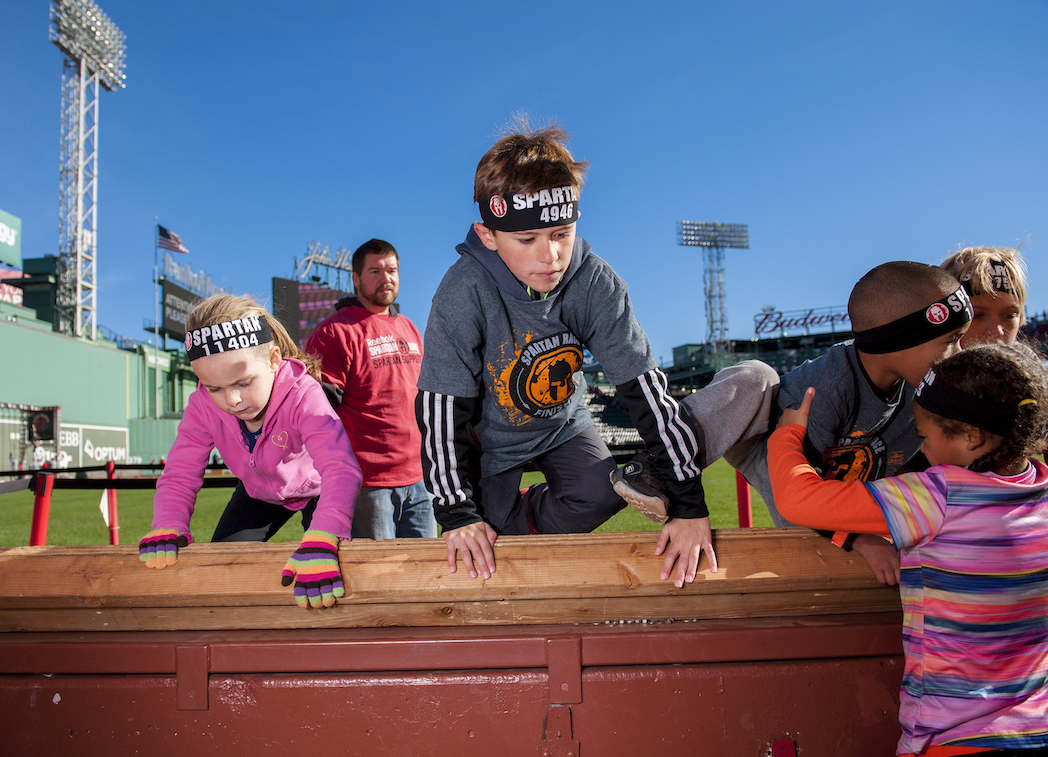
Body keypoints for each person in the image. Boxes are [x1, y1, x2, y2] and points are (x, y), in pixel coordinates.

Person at [416, 119, 777, 585]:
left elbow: (643, 388)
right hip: (492, 443)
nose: (551, 256)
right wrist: (458, 514)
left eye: (562, 234)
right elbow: (441, 406)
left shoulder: (594, 282)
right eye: (527, 240)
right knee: (483, 545)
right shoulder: (462, 291)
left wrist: (688, 506)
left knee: (605, 491)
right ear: (489, 236)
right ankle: (504, 516)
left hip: (564, 424)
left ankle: (537, 515)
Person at [768, 343, 1048, 757]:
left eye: (926, 438)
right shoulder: (1037, 486)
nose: (922, 451)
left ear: (971, 436)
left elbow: (798, 500)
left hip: (956, 752)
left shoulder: (939, 495)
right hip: (1043, 744)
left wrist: (787, 436)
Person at [725, 261, 971, 586]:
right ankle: (660, 469)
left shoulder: (925, 388)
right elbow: (797, 501)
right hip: (791, 495)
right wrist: (859, 539)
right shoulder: (820, 391)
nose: (958, 354)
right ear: (897, 338)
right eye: (949, 340)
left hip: (847, 509)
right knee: (752, 377)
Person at [142, 294, 362, 609]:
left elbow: (340, 468)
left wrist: (325, 533)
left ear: (273, 360)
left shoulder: (304, 393)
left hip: (320, 491)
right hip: (258, 493)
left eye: (243, 383)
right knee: (220, 569)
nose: (231, 400)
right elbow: (180, 471)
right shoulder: (202, 405)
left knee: (331, 572)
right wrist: (168, 522)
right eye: (214, 387)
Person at [939, 245, 1048, 535]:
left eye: (1009, 315)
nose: (997, 331)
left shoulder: (1024, 368)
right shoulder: (920, 364)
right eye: (978, 315)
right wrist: (1020, 503)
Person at [306, 238, 437, 540]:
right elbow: (318, 413)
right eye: (375, 271)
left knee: (427, 576)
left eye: (391, 270)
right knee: (378, 578)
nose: (386, 278)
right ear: (356, 279)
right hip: (368, 484)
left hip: (420, 479)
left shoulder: (409, 327)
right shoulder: (334, 332)